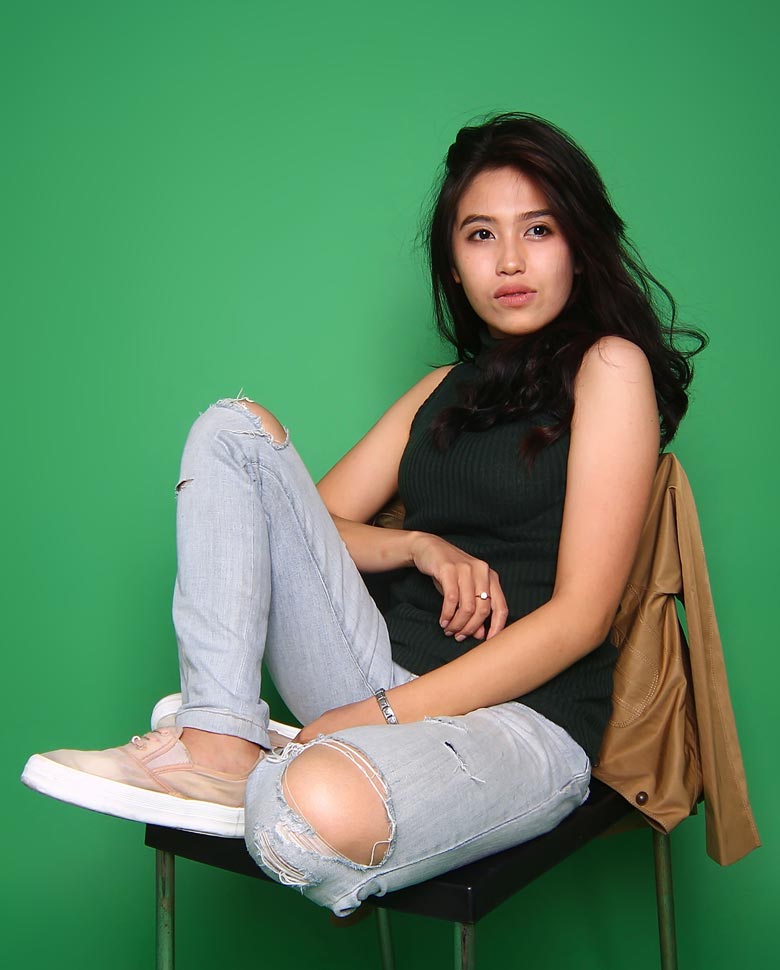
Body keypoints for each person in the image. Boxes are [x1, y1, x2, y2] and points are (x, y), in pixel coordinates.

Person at [22, 113, 704, 916]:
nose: (510, 261)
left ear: (579, 247)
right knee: (234, 432)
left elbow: (580, 619)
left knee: (310, 814)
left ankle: (279, 764)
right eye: (480, 235)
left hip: (518, 725)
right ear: (453, 264)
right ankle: (220, 744)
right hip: (379, 669)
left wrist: (371, 718)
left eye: (539, 230)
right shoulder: (440, 391)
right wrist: (417, 545)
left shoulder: (609, 368)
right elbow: (307, 528)